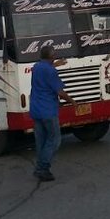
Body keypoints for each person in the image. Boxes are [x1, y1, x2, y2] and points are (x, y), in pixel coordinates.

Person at [29, 43, 73, 182]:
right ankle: (42, 167)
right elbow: (60, 92)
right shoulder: (51, 71)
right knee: (54, 140)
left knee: (41, 140)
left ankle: (39, 167)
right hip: (48, 110)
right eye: (54, 55)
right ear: (52, 57)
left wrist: (56, 65)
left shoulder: (37, 67)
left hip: (36, 109)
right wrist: (72, 101)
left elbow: (45, 71)